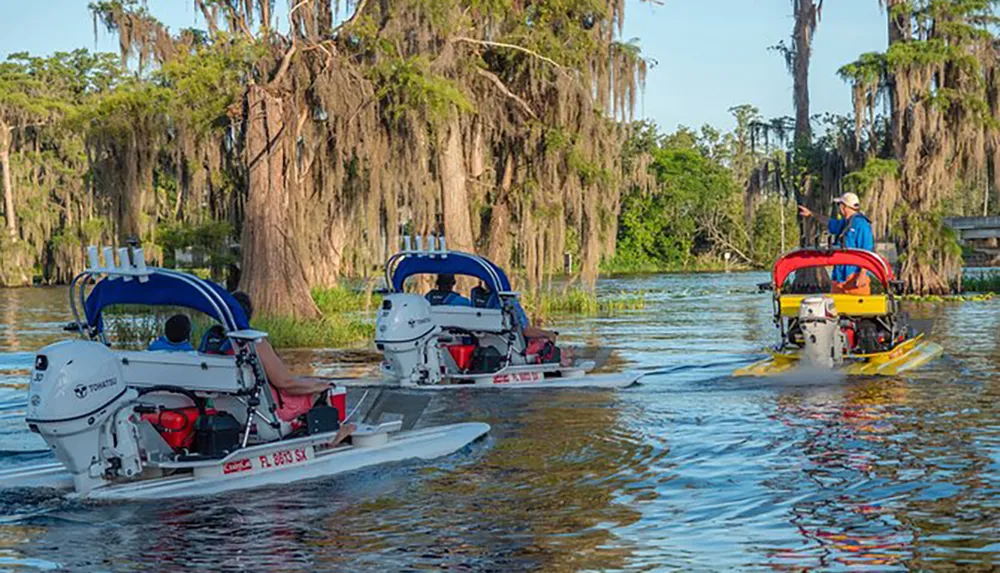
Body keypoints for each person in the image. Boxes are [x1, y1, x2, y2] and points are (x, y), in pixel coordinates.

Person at [222, 291, 353, 443]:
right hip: (268, 419)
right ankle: (333, 438)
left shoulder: (215, 347)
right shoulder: (255, 344)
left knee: (310, 382)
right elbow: (285, 383)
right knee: (325, 388)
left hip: (234, 415)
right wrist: (318, 386)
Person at [799, 192, 875, 295]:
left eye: (839, 205)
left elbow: (867, 251)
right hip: (839, 277)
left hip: (854, 276)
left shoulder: (862, 225)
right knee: (833, 308)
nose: (839, 207)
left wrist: (862, 275)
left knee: (858, 309)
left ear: (844, 207)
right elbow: (829, 222)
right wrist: (812, 214)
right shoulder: (844, 224)